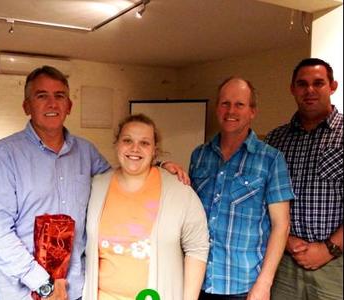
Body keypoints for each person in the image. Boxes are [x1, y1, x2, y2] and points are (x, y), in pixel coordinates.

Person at [0, 65, 188, 300]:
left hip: (73, 287)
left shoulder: (85, 151)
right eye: (41, 96)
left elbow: (120, 180)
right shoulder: (3, 156)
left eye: (59, 96)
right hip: (19, 292)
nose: (52, 103)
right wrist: (43, 284)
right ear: (26, 106)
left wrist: (157, 169)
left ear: (69, 106)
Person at [83, 114, 209, 300]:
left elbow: (197, 247)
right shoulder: (96, 187)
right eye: (127, 140)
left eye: (144, 143)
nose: (135, 148)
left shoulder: (179, 191)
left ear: (154, 151)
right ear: (117, 144)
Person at [189, 77, 294, 300]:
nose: (231, 111)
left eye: (239, 104)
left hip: (243, 286)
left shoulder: (271, 159)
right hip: (195, 280)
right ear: (217, 108)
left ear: (252, 111)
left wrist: (264, 284)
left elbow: (281, 225)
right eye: (225, 103)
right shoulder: (199, 155)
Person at [265, 58, 343, 300]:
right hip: (284, 262)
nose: (309, 90)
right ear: (292, 89)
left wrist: (328, 249)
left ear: (333, 86)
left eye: (318, 83)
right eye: (302, 84)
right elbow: (261, 200)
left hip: (335, 265)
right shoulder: (276, 140)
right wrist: (285, 239)